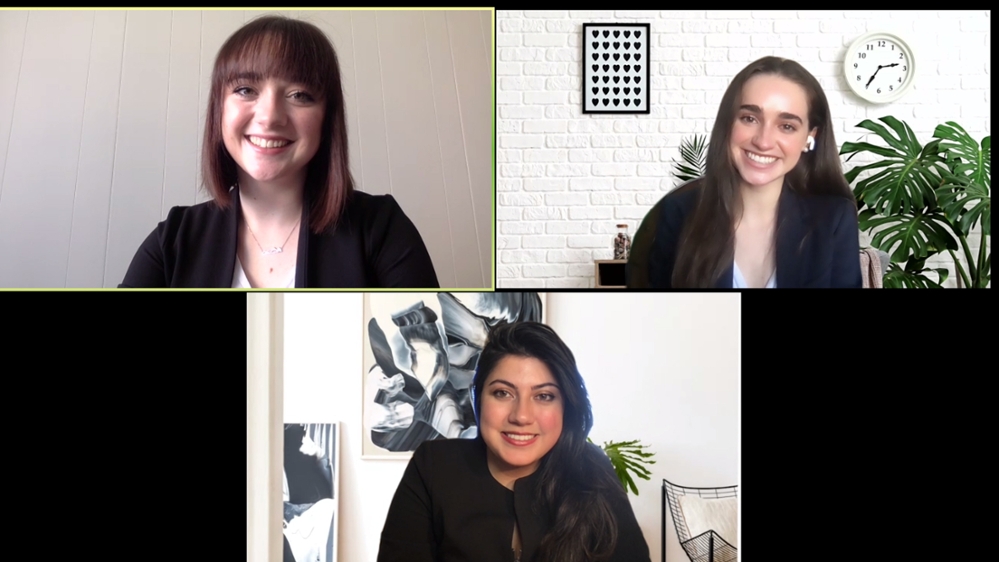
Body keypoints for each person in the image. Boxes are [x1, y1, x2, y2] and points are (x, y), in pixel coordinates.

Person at [119, 16, 438, 288]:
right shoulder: (172, 241)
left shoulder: (382, 229)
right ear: (219, 110)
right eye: (245, 90)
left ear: (327, 119)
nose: (270, 116)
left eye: (300, 94)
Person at [377, 322, 651, 562]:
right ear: (478, 398)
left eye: (544, 396)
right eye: (502, 393)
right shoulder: (434, 467)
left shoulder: (593, 470)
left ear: (566, 406)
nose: (521, 416)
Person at [649, 56, 862, 288]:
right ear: (728, 123)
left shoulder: (834, 219)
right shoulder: (678, 214)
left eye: (787, 126)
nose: (763, 141)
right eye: (749, 118)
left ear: (810, 137)